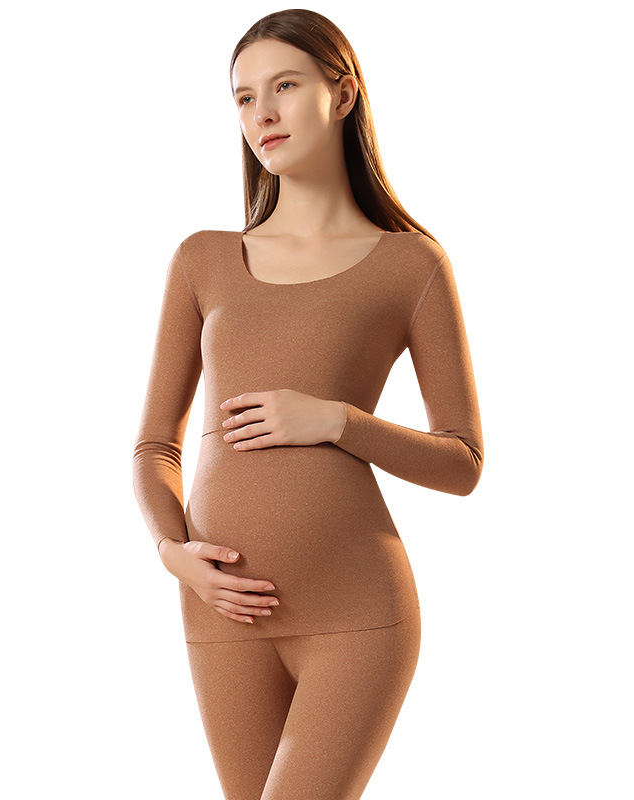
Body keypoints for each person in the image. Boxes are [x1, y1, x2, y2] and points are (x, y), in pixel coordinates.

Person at [133, 9, 483, 799]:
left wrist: (338, 421)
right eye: (243, 97)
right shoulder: (203, 259)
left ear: (343, 94)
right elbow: (155, 445)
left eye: (285, 86)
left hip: (355, 613)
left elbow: (463, 462)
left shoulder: (411, 265)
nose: (261, 113)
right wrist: (172, 552)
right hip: (221, 612)